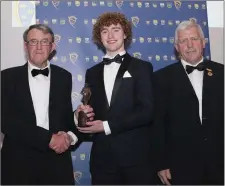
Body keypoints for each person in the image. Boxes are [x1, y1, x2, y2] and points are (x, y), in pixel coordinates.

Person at [74, 12, 155, 184]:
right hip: (102, 161)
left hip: (137, 160)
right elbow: (91, 108)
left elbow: (146, 111)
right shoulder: (92, 72)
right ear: (99, 37)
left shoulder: (142, 68)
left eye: (116, 30)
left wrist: (106, 126)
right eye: (104, 31)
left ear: (125, 34)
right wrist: (82, 113)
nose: (110, 36)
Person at [1, 24, 79, 185]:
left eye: (44, 42)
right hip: (18, 164)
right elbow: (6, 121)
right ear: (25, 45)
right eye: (33, 41)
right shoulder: (6, 77)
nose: (38, 47)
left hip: (57, 164)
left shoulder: (64, 76)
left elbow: (64, 119)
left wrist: (71, 133)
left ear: (52, 46)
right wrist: (48, 139)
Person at [153, 20, 224, 185]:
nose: (189, 45)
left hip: (220, 163)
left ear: (203, 42)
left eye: (194, 39)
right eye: (183, 41)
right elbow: (158, 125)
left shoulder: (222, 73)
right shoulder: (160, 78)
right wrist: (161, 163)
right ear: (177, 47)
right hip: (181, 166)